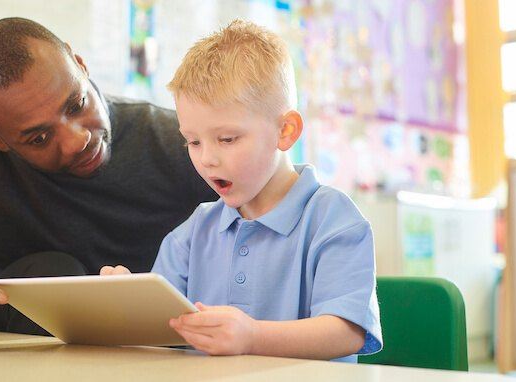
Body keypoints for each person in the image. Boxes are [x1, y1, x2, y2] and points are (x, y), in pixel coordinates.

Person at [0, 17, 215, 351]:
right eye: (40, 137)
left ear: (79, 63)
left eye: (77, 104)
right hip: (8, 351)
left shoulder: (182, 145)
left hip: (158, 353)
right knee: (53, 270)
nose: (77, 140)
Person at [100, 20, 382, 362]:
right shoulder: (193, 232)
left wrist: (252, 336)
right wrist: (124, 304)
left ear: (286, 131)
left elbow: (345, 333)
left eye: (227, 139)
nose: (207, 159)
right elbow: (161, 330)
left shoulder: (334, 219)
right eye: (192, 141)